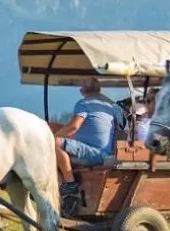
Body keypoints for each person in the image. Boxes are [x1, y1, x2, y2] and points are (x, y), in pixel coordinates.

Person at [50, 77, 121, 212]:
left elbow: (74, 127)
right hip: (104, 151)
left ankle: (70, 184)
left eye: (82, 83)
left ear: (82, 90)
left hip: (93, 152)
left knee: (53, 143)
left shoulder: (83, 103)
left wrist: (53, 137)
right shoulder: (109, 105)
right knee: (60, 141)